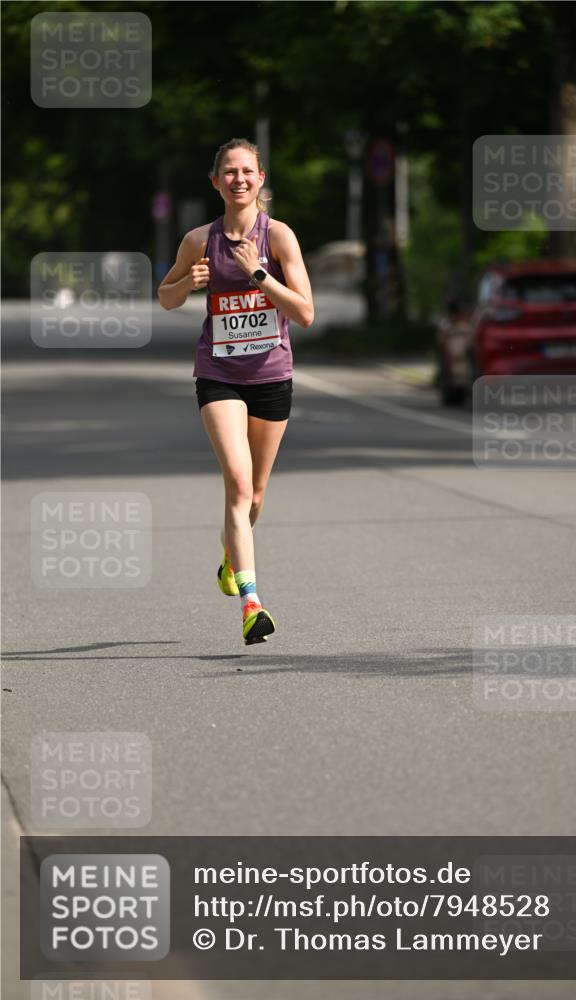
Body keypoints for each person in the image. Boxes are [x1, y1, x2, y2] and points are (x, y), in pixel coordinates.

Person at [158, 138, 314, 644]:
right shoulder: (198, 240)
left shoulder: (279, 236)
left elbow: (305, 312)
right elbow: (165, 297)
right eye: (229, 172)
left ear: (260, 178)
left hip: (272, 376)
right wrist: (189, 283)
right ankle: (252, 603)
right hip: (219, 374)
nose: (238, 179)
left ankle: (230, 556)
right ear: (215, 182)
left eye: (247, 171)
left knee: (257, 495)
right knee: (239, 486)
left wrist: (258, 273)